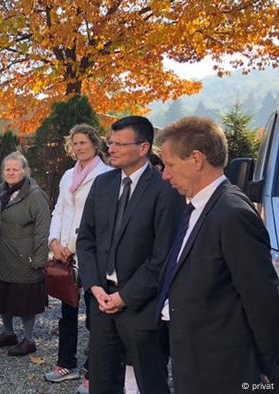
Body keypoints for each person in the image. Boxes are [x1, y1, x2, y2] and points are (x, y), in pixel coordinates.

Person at [156, 116, 279, 394]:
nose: (164, 174)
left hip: (223, 372)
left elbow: (262, 301)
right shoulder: (196, 207)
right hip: (194, 361)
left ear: (196, 159)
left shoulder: (232, 213)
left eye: (170, 165)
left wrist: (268, 373)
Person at [77, 116, 184, 394]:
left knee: (150, 381)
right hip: (101, 302)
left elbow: (164, 256)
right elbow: (86, 240)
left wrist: (125, 297)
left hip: (141, 307)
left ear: (143, 147)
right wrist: (93, 285)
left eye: (119, 144)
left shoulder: (165, 190)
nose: (111, 149)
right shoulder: (102, 185)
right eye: (110, 142)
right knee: (101, 382)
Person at [45, 125, 110, 390]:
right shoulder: (69, 174)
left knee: (96, 316)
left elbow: (96, 218)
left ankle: (92, 371)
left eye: (84, 142)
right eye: (75, 143)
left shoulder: (106, 175)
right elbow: (59, 210)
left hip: (91, 251)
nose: (79, 147)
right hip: (64, 253)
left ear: (95, 144)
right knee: (67, 309)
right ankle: (66, 363)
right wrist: (54, 241)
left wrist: (72, 245)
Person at [0, 152, 50, 357]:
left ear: (25, 171)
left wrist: (39, 259)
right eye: (7, 169)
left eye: (15, 169)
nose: (10, 172)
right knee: (2, 295)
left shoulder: (35, 195)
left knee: (25, 300)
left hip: (23, 258)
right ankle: (8, 333)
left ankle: (29, 340)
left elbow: (42, 229)